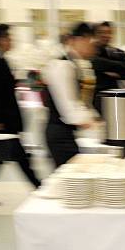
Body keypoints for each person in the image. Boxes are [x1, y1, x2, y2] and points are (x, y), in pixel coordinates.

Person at [0, 24, 41, 206]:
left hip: (3, 119)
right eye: (8, 38)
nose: (11, 41)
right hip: (1, 120)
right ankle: (37, 186)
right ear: (0, 40)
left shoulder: (1, 60)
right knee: (13, 157)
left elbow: (2, 88)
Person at [43, 22, 97, 167]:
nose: (91, 47)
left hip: (66, 132)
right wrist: (88, 121)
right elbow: (67, 106)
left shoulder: (75, 64)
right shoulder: (62, 65)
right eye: (89, 42)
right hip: (59, 134)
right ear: (77, 40)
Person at [91, 21, 125, 113]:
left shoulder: (117, 52)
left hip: (115, 98)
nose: (105, 35)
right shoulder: (90, 52)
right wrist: (119, 69)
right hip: (96, 99)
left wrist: (107, 69)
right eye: (101, 32)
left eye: (108, 32)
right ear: (95, 34)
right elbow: (96, 62)